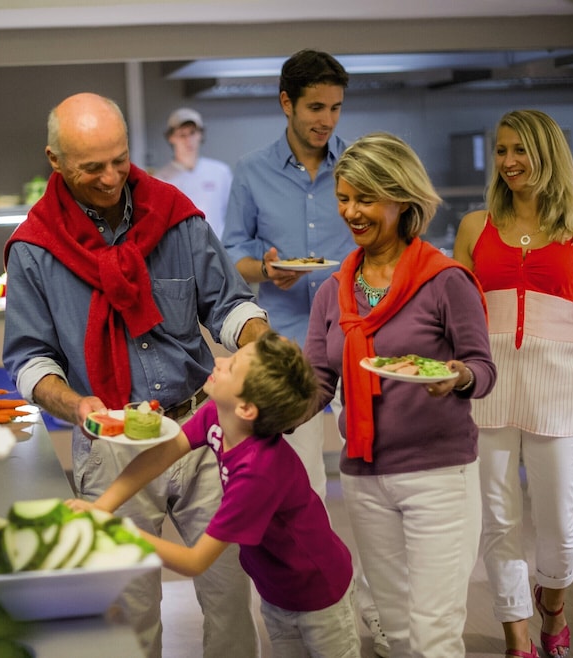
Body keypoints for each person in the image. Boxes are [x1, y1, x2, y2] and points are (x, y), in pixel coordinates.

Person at [2, 92, 270, 658]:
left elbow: (227, 304)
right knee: (128, 611)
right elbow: (28, 360)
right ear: (55, 161)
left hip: (199, 431)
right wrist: (76, 404)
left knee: (229, 592)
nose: (110, 178)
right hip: (110, 444)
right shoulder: (34, 248)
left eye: (119, 160)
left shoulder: (173, 214)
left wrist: (260, 342)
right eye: (90, 167)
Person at [303, 132, 496, 657]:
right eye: (344, 198)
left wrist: (456, 376)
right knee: (394, 628)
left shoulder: (444, 280)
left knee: (434, 632)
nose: (351, 211)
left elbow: (482, 367)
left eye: (365, 199)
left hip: (438, 475)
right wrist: (258, 402)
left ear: (402, 199)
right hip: (365, 476)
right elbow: (318, 382)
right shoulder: (333, 290)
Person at [223, 48, 388, 656]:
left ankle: (376, 616)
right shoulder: (251, 172)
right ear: (287, 103)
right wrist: (265, 270)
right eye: (316, 107)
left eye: (336, 107)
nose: (327, 120)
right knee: (303, 493)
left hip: (364, 341)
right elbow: (231, 257)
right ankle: (310, 620)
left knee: (376, 488)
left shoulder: (362, 166)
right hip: (289, 351)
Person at [452, 109, 573, 658]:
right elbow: (455, 315)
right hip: (489, 392)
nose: (508, 162)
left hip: (559, 396)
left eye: (520, 150)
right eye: (501, 150)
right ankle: (517, 638)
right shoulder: (475, 228)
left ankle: (552, 608)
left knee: (560, 525)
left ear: (547, 154)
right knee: (499, 525)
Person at [68, 330, 362, 658]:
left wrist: (114, 529)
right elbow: (162, 454)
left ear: (247, 409)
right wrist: (102, 506)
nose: (219, 362)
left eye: (232, 367)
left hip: (320, 594)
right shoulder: (217, 417)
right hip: (277, 591)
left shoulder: (257, 474)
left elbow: (195, 561)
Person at [155, 107, 233, 239]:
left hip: (219, 251)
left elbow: (233, 216)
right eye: (182, 135)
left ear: (201, 134)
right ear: (171, 138)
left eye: (192, 133)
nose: (188, 140)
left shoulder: (220, 172)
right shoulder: (160, 181)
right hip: (182, 253)